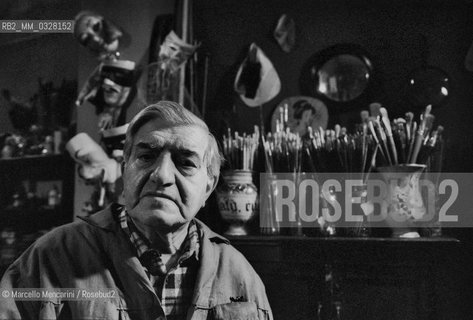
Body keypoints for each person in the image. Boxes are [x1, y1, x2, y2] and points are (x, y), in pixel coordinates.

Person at [0, 101, 273, 320]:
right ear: (124, 169)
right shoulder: (51, 257)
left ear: (209, 187)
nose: (162, 175)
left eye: (186, 162)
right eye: (146, 157)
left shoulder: (239, 274)